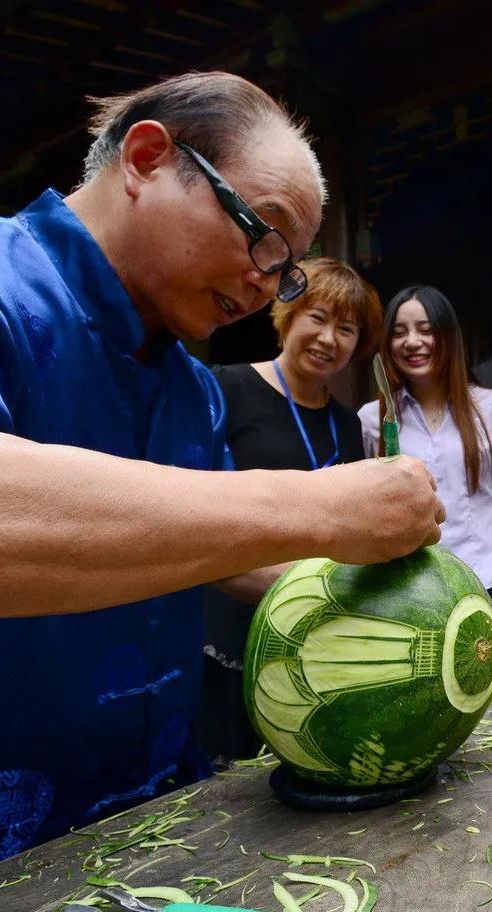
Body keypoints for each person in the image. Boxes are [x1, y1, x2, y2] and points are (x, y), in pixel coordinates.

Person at [0, 72, 444, 912]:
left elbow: (218, 545)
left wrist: (416, 613)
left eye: (282, 270)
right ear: (147, 159)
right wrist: (317, 505)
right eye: (262, 236)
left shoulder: (191, 391)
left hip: (146, 864)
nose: (262, 285)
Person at [202, 258, 383, 763]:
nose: (329, 338)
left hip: (312, 629)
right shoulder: (226, 388)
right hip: (232, 612)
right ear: (286, 313)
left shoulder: (348, 427)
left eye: (346, 329)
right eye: (317, 317)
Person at [359, 286, 492, 661]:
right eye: (399, 332)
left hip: (486, 586)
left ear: (448, 336)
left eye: (425, 329)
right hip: (411, 597)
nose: (412, 342)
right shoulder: (373, 421)